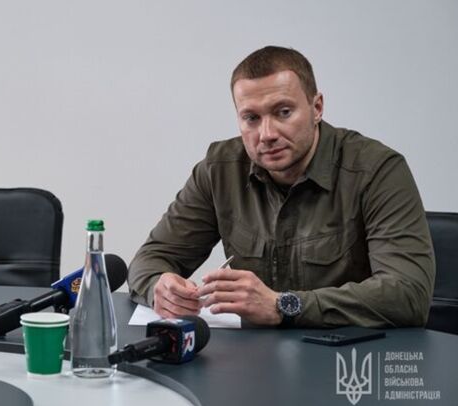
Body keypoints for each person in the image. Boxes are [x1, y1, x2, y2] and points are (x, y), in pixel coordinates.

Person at [127, 46, 435, 327]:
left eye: (283, 112)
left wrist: (283, 306)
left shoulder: (377, 169)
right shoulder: (219, 169)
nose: (267, 134)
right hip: (256, 358)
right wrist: (160, 287)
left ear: (317, 107)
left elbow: (408, 294)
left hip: (350, 357)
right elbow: (149, 260)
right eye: (251, 118)